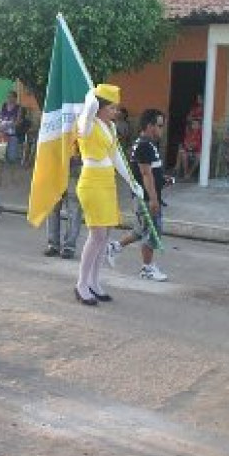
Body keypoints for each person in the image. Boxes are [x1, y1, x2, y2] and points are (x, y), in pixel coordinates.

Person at [74, 84, 143, 306]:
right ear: (100, 107)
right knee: (96, 236)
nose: (116, 112)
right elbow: (83, 125)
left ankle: (94, 282)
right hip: (91, 182)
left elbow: (116, 158)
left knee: (105, 237)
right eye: (112, 107)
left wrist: (132, 181)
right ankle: (81, 284)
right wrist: (89, 104)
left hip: (107, 182)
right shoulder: (87, 123)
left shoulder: (111, 127)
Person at [106, 108, 170, 282]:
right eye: (159, 125)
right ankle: (147, 268)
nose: (162, 129)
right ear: (150, 126)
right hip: (146, 198)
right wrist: (154, 200)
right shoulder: (143, 145)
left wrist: (162, 179)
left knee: (141, 230)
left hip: (146, 196)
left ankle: (115, 247)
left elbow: (152, 171)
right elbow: (145, 174)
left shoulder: (148, 144)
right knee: (150, 231)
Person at [44, 156, 83, 260]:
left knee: (72, 209)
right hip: (58, 164)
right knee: (55, 207)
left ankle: (65, 246)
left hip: (73, 164)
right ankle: (58, 245)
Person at [0, 90, 22, 165]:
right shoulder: (2, 105)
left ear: (15, 98)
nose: (9, 98)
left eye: (11, 97)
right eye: (8, 97)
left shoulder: (18, 108)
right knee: (1, 156)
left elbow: (18, 121)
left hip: (12, 132)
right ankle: (1, 158)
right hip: (2, 132)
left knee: (12, 158)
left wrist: (9, 126)